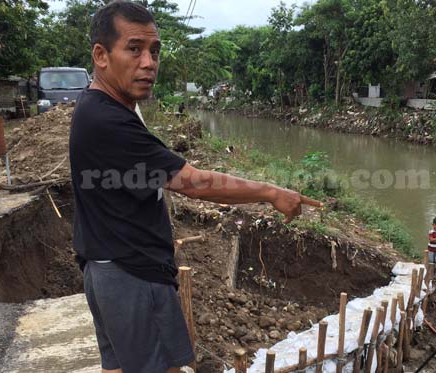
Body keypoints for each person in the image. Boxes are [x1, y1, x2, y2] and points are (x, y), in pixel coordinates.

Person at [68, 2, 323, 373]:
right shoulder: (108, 121)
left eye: (154, 51)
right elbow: (195, 183)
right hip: (131, 276)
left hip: (108, 270)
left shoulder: (100, 107)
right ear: (101, 55)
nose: (149, 62)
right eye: (134, 48)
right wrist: (271, 192)